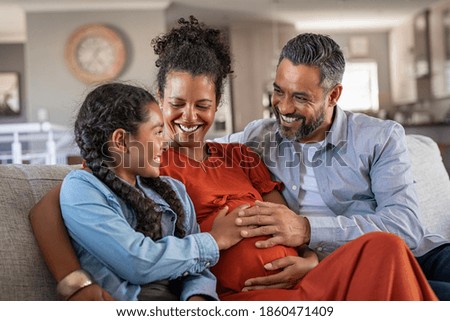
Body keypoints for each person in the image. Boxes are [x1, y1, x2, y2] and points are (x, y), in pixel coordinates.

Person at [29, 17, 437, 301]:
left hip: (304, 283)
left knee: (385, 247)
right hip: (243, 295)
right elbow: (57, 201)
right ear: (159, 103)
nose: (189, 118)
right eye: (176, 104)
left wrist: (310, 262)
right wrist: (76, 284)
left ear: (218, 104)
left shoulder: (243, 151)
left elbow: (286, 225)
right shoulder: (145, 162)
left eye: (203, 105)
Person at [217, 32, 450, 299]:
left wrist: (306, 230)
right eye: (279, 91)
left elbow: (403, 227)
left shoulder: (379, 137)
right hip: (349, 270)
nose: (284, 107)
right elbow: (196, 149)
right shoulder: (257, 138)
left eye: (301, 98)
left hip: (418, 255)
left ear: (333, 95)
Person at [34, 82, 246, 301]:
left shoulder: (175, 190)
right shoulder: (82, 187)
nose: (165, 143)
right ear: (121, 140)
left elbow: (199, 271)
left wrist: (197, 298)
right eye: (157, 132)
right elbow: (137, 262)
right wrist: (213, 240)